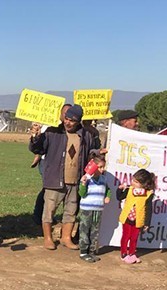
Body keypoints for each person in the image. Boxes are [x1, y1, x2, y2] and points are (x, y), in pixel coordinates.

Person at [29, 104, 100, 250]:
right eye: (66, 119)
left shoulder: (86, 135)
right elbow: (37, 148)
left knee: (71, 211)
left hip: (76, 180)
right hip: (54, 179)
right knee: (49, 210)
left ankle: (66, 238)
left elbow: (90, 153)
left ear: (78, 121)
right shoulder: (52, 132)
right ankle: (48, 238)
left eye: (72, 120)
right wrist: (35, 136)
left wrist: (98, 153)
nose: (67, 122)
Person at [31, 104, 71, 225]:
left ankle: (50, 216)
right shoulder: (50, 128)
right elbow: (40, 146)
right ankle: (40, 215)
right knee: (49, 188)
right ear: (60, 114)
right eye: (65, 114)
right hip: (47, 161)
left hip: (63, 163)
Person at [116, 169, 156, 264]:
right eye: (133, 180)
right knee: (126, 236)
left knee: (134, 238)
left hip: (138, 220)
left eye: (136, 182)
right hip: (127, 218)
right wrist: (120, 189)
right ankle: (124, 254)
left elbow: (149, 209)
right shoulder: (129, 190)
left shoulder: (148, 194)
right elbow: (119, 197)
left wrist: (147, 223)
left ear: (144, 184)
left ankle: (132, 253)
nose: (132, 182)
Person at [77, 153, 110, 263]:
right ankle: (83, 251)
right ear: (93, 166)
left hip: (98, 209)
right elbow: (82, 194)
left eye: (103, 167)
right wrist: (83, 184)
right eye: (99, 167)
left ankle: (92, 251)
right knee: (85, 229)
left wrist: (107, 196)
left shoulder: (104, 179)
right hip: (86, 209)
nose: (101, 169)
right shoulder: (87, 179)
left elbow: (108, 189)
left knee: (95, 231)